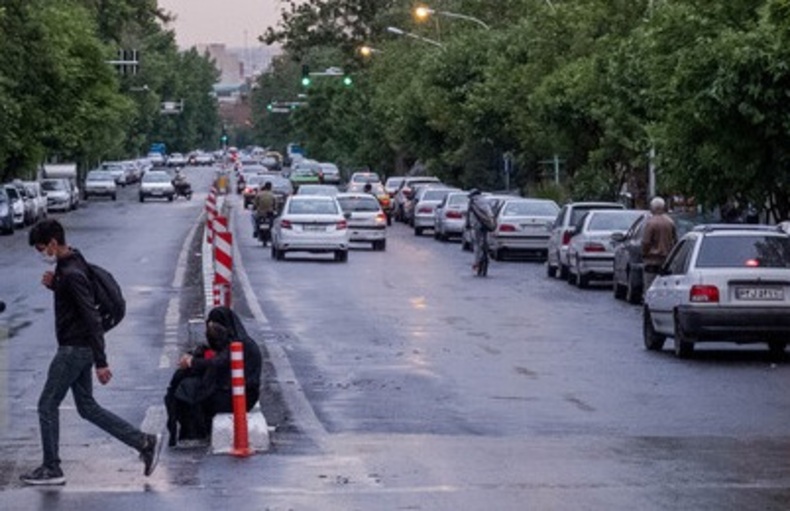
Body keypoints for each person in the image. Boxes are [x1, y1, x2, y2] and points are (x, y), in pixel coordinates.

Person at [24, 219, 162, 485]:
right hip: (79, 347)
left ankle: (52, 468)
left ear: (54, 243)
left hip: (73, 350)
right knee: (87, 407)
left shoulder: (72, 273)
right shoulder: (71, 265)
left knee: (46, 404)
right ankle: (144, 442)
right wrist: (56, 286)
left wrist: (101, 361)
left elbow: (91, 317)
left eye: (42, 248)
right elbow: (77, 306)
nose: (41, 254)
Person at [165, 306, 262, 446]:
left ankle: (196, 432)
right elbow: (215, 356)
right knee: (184, 383)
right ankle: (192, 431)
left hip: (241, 397)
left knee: (189, 390)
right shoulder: (231, 340)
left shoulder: (240, 344)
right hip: (227, 390)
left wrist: (193, 362)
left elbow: (219, 362)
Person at [641, 196, 677, 294]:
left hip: (652, 260)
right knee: (666, 288)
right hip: (667, 260)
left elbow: (646, 242)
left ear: (653, 208)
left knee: (650, 288)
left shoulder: (650, 223)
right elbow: (675, 240)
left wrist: (644, 253)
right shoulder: (670, 222)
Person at [467, 190, 494, 274]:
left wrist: (468, 225)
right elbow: (491, 213)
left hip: (477, 226)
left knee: (477, 244)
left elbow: (469, 217)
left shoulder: (472, 202)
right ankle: (487, 255)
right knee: (487, 242)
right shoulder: (486, 201)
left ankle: (477, 261)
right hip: (487, 224)